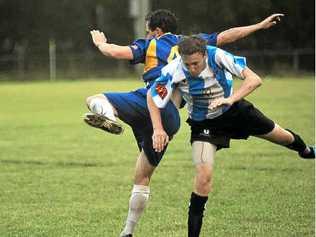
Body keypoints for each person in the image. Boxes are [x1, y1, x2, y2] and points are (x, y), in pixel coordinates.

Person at [84, 9, 284, 237]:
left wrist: (101, 43)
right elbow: (228, 35)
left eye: (148, 31)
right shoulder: (192, 45)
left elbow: (115, 52)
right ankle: (127, 232)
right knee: (142, 176)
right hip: (169, 117)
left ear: (157, 31)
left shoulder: (151, 44)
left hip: (151, 101)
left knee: (95, 99)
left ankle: (109, 117)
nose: (147, 35)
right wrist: (258, 26)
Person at [147, 36, 315, 237]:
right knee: (203, 177)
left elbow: (254, 79)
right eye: (187, 64)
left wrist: (230, 99)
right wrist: (158, 129)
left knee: (284, 138)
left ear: (204, 55)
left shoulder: (217, 55)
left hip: (236, 111)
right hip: (204, 124)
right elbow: (152, 96)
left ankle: (305, 151)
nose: (191, 69)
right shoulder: (173, 69)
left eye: (196, 64)